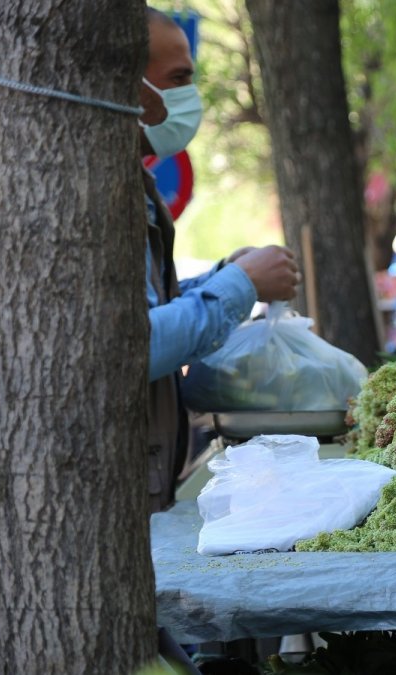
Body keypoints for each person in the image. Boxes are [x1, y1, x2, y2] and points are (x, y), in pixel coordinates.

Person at [142, 8, 300, 513]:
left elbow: (150, 304)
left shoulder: (137, 184)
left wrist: (225, 273)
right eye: (178, 79)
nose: (191, 97)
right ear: (131, 86)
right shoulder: (97, 194)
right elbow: (134, 344)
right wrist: (241, 285)